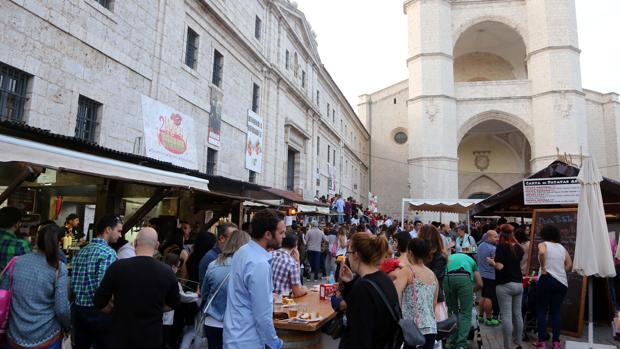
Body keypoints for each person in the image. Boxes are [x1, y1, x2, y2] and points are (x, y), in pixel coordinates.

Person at [93, 227, 180, 349]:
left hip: (120, 337)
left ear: (135, 243)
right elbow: (174, 303)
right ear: (157, 245)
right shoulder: (167, 272)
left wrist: (115, 311)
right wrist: (156, 309)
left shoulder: (117, 268)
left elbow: (99, 302)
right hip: (151, 338)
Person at [0, 224, 70, 349]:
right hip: (46, 337)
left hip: (14, 335)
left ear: (38, 240)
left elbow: (3, 294)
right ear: (59, 243)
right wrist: (67, 327)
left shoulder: (16, 261)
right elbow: (62, 309)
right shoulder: (58, 268)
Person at [223, 209, 284, 349]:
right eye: (281, 233)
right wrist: (275, 343)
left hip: (234, 335)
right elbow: (262, 315)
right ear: (268, 234)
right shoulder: (259, 264)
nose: (283, 237)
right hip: (248, 339)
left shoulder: (243, 251)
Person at [338, 233, 400, 349]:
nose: (348, 257)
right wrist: (350, 283)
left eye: (349, 253)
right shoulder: (384, 279)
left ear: (356, 255)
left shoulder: (363, 288)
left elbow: (360, 336)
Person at [71, 215, 122, 349]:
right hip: (98, 312)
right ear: (108, 230)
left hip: (78, 309)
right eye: (119, 231)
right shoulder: (108, 253)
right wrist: (110, 309)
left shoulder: (82, 251)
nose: (120, 235)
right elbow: (103, 288)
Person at [202, 230, 250, 349]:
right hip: (238, 325)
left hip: (213, 322)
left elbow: (204, 294)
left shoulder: (213, 265)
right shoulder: (248, 267)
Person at [392, 238, 438, 349]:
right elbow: (433, 303)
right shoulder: (432, 275)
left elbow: (394, 296)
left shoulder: (407, 271)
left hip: (412, 329)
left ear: (410, 253)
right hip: (431, 328)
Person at [486, 224, 524, 349]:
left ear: (501, 234)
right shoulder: (518, 248)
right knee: (517, 315)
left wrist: (492, 262)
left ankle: (507, 346)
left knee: (506, 316)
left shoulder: (502, 247)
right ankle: (518, 343)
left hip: (505, 285)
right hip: (519, 284)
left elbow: (500, 266)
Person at [535, 225, 572, 349]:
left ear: (544, 234)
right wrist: (560, 271)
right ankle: (556, 342)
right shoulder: (562, 248)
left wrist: (544, 267)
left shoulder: (543, 244)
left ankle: (542, 342)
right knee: (556, 312)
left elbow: (542, 252)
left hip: (546, 279)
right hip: (561, 282)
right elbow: (569, 264)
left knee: (542, 310)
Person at [445, 252, 483, 349]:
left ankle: (452, 341)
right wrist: (469, 291)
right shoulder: (472, 262)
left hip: (447, 277)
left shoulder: (450, 257)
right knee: (466, 313)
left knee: (452, 311)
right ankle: (461, 344)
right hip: (464, 277)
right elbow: (480, 283)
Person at [162, 253, 200, 349]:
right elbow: (182, 297)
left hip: (157, 317)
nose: (178, 269)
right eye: (178, 267)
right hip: (167, 319)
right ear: (173, 266)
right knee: (166, 342)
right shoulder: (173, 280)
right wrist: (197, 294)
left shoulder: (159, 276)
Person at [199, 222, 237, 286]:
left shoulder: (226, 256)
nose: (236, 241)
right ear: (222, 238)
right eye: (233, 238)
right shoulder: (211, 258)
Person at [272, 232, 307, 298]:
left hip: (270, 298)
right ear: (295, 245)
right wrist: (305, 289)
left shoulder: (271, 254)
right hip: (284, 300)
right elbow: (297, 292)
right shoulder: (291, 263)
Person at [477, 230, 500, 326]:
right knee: (489, 297)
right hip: (491, 275)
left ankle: (481, 316)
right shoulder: (493, 249)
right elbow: (496, 263)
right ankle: (489, 318)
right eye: (495, 237)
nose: (497, 239)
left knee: (483, 295)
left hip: (482, 274)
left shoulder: (480, 246)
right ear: (488, 237)